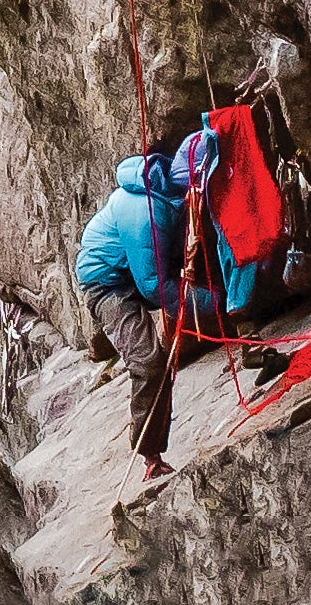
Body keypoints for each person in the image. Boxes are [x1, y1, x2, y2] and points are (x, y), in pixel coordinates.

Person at [75, 126, 220, 467]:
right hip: (108, 285)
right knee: (149, 364)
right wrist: (215, 304)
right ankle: (150, 455)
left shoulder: (172, 197)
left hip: (133, 272)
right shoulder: (146, 213)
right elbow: (153, 286)